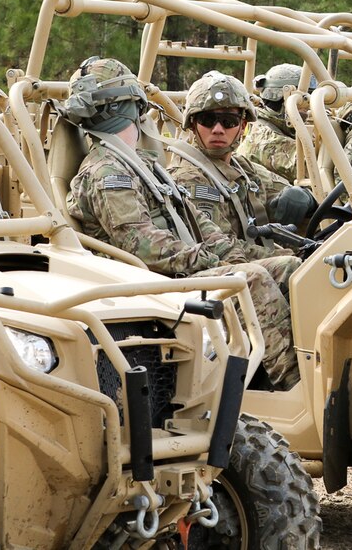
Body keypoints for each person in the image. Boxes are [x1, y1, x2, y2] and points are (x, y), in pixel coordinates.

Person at [62, 57, 301, 389]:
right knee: (253, 279)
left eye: (228, 121)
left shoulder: (140, 163)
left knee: (291, 268)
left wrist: (228, 254)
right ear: (129, 106)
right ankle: (292, 387)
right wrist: (209, 259)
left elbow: (198, 222)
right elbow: (140, 243)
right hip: (149, 281)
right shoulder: (108, 170)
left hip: (177, 271)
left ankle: (309, 370)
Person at [167, 70, 316, 244]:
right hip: (227, 267)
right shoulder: (190, 178)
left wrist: (305, 198)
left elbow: (281, 191)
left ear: (242, 125)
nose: (217, 129)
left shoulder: (242, 168)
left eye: (229, 121)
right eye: (207, 120)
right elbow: (218, 250)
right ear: (193, 125)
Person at [236, 63, 312, 183]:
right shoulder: (264, 139)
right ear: (285, 99)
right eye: (305, 100)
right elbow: (315, 168)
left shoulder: (278, 127)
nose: (310, 107)